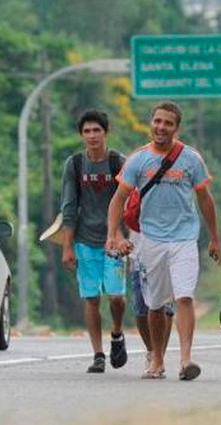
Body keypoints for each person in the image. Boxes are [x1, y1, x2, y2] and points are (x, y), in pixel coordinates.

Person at [106, 101, 221, 381]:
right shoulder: (138, 159)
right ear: (151, 123)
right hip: (151, 240)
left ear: (176, 128)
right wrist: (113, 235)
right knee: (154, 306)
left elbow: (205, 199)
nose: (161, 127)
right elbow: (119, 199)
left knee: (184, 296)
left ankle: (185, 360)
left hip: (184, 238)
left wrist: (214, 238)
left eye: (168, 123)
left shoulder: (191, 159)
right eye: (157, 121)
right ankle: (157, 358)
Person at [60, 109, 128, 374]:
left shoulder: (117, 162)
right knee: (91, 298)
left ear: (105, 132)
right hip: (85, 241)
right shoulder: (75, 164)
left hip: (114, 242)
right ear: (81, 135)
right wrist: (67, 246)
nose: (92, 135)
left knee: (116, 297)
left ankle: (117, 334)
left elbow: (128, 203)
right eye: (86, 131)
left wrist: (122, 235)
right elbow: (69, 206)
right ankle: (98, 353)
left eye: (96, 130)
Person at [128, 230, 174, 372]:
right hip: (139, 253)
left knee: (166, 307)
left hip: (167, 251)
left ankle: (159, 357)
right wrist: (116, 237)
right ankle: (151, 351)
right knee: (141, 310)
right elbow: (118, 215)